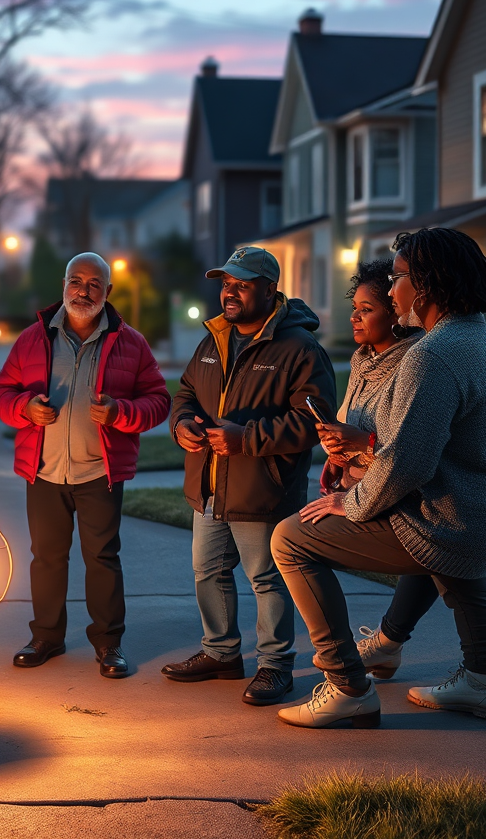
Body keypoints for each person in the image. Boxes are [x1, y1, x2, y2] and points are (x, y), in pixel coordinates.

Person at [271, 227, 486, 729]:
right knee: (453, 566)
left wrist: (352, 503)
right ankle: (484, 682)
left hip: (448, 521)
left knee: (291, 539)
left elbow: (407, 464)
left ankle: (348, 686)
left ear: (428, 286)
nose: (391, 291)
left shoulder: (432, 356)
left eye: (398, 279)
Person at [165, 245, 336, 706]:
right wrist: (181, 425)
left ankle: (275, 667)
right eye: (226, 283)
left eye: (241, 284)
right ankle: (220, 653)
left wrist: (247, 438)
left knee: (266, 578)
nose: (230, 293)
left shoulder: (300, 349)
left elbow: (313, 424)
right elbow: (183, 393)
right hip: (209, 484)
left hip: (262, 487)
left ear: (269, 288)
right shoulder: (212, 340)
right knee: (208, 571)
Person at [0, 252, 169, 679]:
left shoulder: (131, 342)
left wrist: (121, 412)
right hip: (45, 470)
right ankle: (46, 637)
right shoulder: (34, 339)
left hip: (98, 473)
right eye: (76, 281)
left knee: (102, 558)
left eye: (94, 284)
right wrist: (24, 408)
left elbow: (159, 400)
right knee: (46, 558)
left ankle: (109, 644)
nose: (83, 290)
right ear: (64, 285)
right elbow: (1, 392)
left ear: (107, 292)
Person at [314, 258, 436, 682]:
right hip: (359, 482)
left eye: (366, 309)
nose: (354, 316)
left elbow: (402, 451)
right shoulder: (365, 359)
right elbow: (354, 424)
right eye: (356, 307)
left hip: (393, 491)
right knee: (442, 565)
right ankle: (386, 645)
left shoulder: (417, 364)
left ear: (397, 312)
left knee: (292, 540)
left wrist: (359, 448)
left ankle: (347, 667)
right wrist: (336, 452)